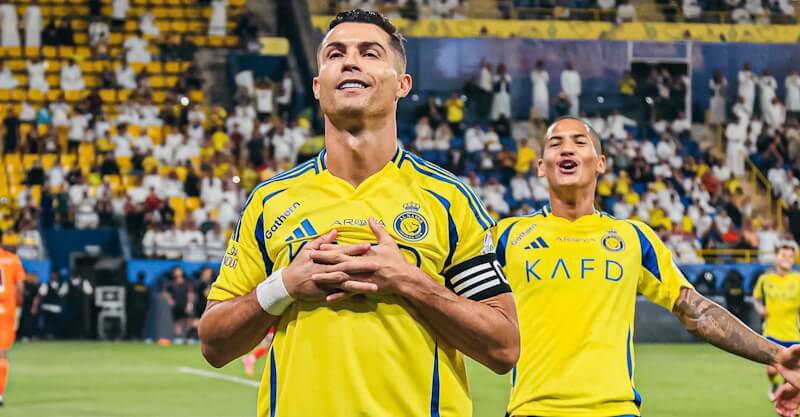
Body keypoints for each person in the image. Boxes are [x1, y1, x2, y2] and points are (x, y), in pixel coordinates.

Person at [199, 10, 519, 417]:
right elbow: (213, 344)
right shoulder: (270, 201)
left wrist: (408, 279)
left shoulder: (449, 199)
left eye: (369, 53)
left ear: (403, 84)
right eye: (335, 54)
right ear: (317, 86)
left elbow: (504, 347)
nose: (350, 61)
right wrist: (284, 285)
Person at [493, 117, 800, 417]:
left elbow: (697, 311)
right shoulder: (507, 236)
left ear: (600, 163)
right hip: (532, 409)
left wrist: (776, 355)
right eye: (555, 143)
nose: (566, 149)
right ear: (540, 166)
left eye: (579, 141)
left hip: (615, 410)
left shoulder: (633, 238)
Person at [753, 241, 800, 400]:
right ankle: (774, 383)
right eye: (783, 255)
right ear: (776, 257)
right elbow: (756, 298)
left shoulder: (798, 279)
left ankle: (787, 398)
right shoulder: (765, 279)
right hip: (771, 332)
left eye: (790, 256)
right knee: (772, 370)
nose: (787, 258)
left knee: (791, 372)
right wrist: (760, 309)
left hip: (793, 334)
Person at [0, 234, 25, 407]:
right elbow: (21, 287)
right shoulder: (13, 260)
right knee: (1, 352)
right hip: (5, 309)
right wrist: (19, 308)